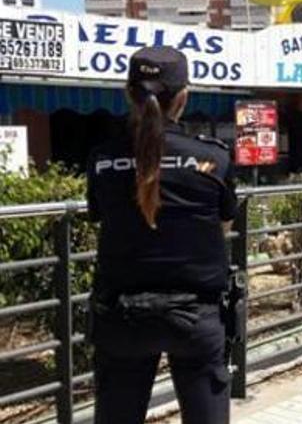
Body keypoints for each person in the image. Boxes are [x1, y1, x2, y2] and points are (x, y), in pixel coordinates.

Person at [86, 46, 237, 424]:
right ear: (183, 97)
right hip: (197, 318)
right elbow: (222, 227)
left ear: (127, 94)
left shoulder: (102, 159)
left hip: (121, 317)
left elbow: (100, 217)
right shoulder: (214, 158)